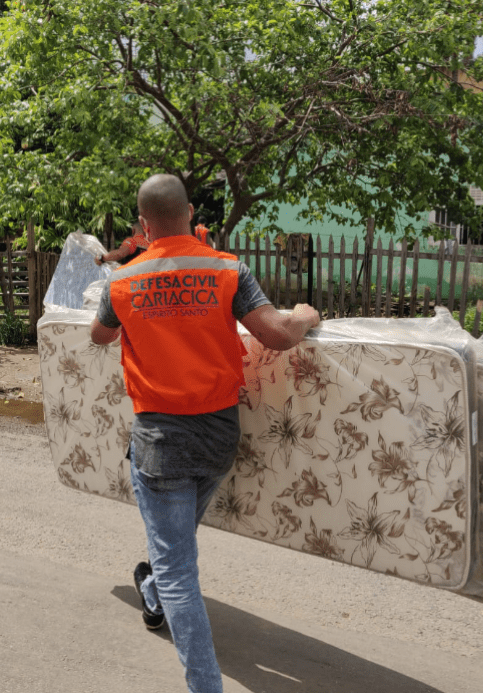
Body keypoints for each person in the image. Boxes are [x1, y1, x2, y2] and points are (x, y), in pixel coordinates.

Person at [90, 174, 321, 693]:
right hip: (219, 436)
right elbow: (279, 335)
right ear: (192, 213)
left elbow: (99, 334)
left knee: (177, 569)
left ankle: (203, 684)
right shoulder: (226, 269)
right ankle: (151, 586)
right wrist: (304, 315)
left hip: (160, 445)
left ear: (144, 226)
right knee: (174, 549)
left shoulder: (123, 280)